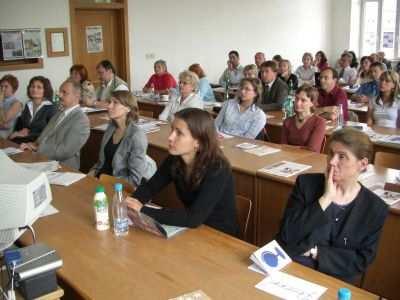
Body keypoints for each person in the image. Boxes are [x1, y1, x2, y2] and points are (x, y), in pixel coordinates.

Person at [277, 128, 388, 283]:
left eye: (342, 157)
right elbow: (287, 235)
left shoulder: (375, 208)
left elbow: (361, 260)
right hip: (293, 270)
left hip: (338, 281)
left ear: (362, 164)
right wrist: (325, 199)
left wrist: (315, 252)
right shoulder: (306, 184)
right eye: (331, 153)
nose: (332, 161)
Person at [126, 108, 239, 236]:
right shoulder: (175, 159)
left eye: (179, 133)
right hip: (192, 229)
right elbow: (150, 187)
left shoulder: (218, 168)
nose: (170, 137)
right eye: (172, 130)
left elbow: (194, 218)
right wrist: (131, 202)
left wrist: (142, 209)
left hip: (220, 235)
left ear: (198, 142)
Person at [90, 91, 157, 187]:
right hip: (101, 180)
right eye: (109, 102)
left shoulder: (136, 136)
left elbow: (134, 179)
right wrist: (91, 174)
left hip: (117, 186)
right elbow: (101, 162)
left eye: (115, 103)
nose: (109, 106)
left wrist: (106, 181)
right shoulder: (111, 127)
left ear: (128, 108)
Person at [20, 80, 90, 169]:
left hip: (63, 167)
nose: (59, 95)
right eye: (60, 92)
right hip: (43, 160)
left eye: (64, 92)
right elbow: (43, 137)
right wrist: (31, 145)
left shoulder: (81, 120)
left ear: (76, 96)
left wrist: (37, 149)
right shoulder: (59, 113)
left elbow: (65, 151)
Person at [9, 76, 57, 144]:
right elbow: (23, 125)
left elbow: (51, 132)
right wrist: (22, 131)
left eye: (39, 87)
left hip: (40, 143)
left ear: (45, 90)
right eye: (32, 86)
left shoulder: (52, 107)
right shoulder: (28, 104)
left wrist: (28, 134)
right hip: (25, 140)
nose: (34, 89)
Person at [281, 85, 326, 152]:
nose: (298, 103)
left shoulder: (319, 122)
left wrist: (290, 148)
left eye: (303, 100)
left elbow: (312, 150)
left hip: (308, 160)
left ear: (312, 103)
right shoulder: (287, 121)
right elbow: (282, 146)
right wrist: (302, 148)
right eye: (296, 99)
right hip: (288, 159)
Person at [0, 75, 22, 139]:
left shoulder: (17, 103)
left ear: (13, 88)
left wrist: (0, 102)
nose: (3, 89)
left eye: (6, 86)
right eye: (1, 86)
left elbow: (4, 120)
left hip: (5, 134)